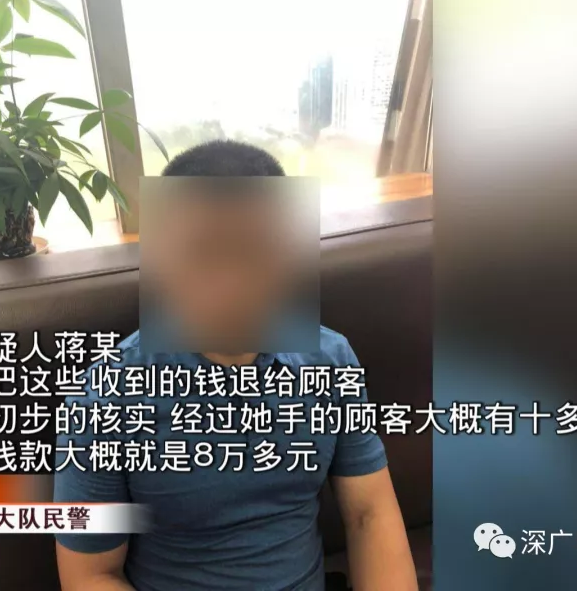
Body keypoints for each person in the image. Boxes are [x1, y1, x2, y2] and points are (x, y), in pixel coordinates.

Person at [54, 140, 418, 591]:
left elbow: (370, 514)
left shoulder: (329, 360)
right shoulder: (108, 393)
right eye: (202, 254)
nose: (230, 285)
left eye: (253, 253)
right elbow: (90, 574)